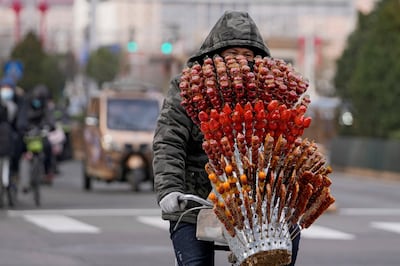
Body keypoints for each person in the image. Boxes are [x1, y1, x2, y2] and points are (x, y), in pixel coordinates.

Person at [153, 11, 300, 266]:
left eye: (248, 55)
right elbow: (169, 141)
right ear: (214, 55)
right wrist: (170, 190)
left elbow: (283, 147)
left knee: (284, 248)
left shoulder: (269, 92)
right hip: (196, 202)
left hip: (255, 208)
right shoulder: (188, 87)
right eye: (232, 54)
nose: (240, 62)